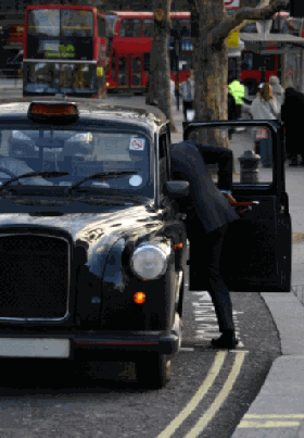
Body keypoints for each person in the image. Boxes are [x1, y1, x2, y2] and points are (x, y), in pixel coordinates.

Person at [170, 140, 239, 349]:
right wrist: (225, 189)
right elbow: (226, 153)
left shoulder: (159, 158)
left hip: (202, 220)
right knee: (207, 273)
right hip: (219, 211)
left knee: (207, 274)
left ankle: (228, 333)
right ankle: (227, 331)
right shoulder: (186, 146)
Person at [250, 83, 280, 167]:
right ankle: (270, 161)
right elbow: (276, 111)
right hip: (271, 123)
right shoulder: (271, 99)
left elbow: (252, 111)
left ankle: (264, 161)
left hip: (260, 124)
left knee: (262, 143)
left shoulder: (256, 100)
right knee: (270, 143)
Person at [281, 86, 304, 166]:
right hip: (302, 125)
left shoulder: (287, 100)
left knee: (291, 143)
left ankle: (294, 160)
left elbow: (283, 114)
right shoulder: (301, 97)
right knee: (302, 142)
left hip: (291, 125)